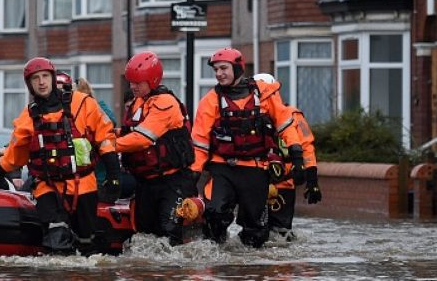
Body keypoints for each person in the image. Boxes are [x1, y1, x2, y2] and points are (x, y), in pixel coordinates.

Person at [0, 57, 121, 255]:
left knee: (88, 245)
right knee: (56, 243)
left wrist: (113, 176)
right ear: (29, 84)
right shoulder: (27, 117)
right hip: (48, 187)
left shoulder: (82, 103)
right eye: (35, 78)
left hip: (83, 184)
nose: (41, 82)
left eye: (45, 76)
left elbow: (104, 138)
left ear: (53, 78)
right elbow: (13, 158)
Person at [191, 48, 303, 248]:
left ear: (237, 67)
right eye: (216, 70)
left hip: (256, 168)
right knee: (215, 213)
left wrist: (296, 151)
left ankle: (247, 265)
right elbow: (199, 142)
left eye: (223, 68)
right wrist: (193, 173)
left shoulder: (264, 93)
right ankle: (215, 256)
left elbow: (285, 124)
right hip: (222, 167)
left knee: (256, 229)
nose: (218, 74)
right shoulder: (210, 101)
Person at [114, 51, 197, 245]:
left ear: (152, 80)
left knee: (168, 235)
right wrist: (104, 135)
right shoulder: (138, 103)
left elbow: (143, 138)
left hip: (172, 181)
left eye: (137, 83)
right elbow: (128, 132)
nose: (132, 86)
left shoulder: (165, 103)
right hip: (146, 182)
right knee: (145, 236)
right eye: (131, 82)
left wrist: (109, 147)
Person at [253, 73, 322, 240]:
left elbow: (306, 147)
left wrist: (311, 179)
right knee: (254, 231)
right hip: (255, 180)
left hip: (283, 181)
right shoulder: (249, 116)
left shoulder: (293, 115)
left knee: (279, 233)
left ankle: (280, 264)